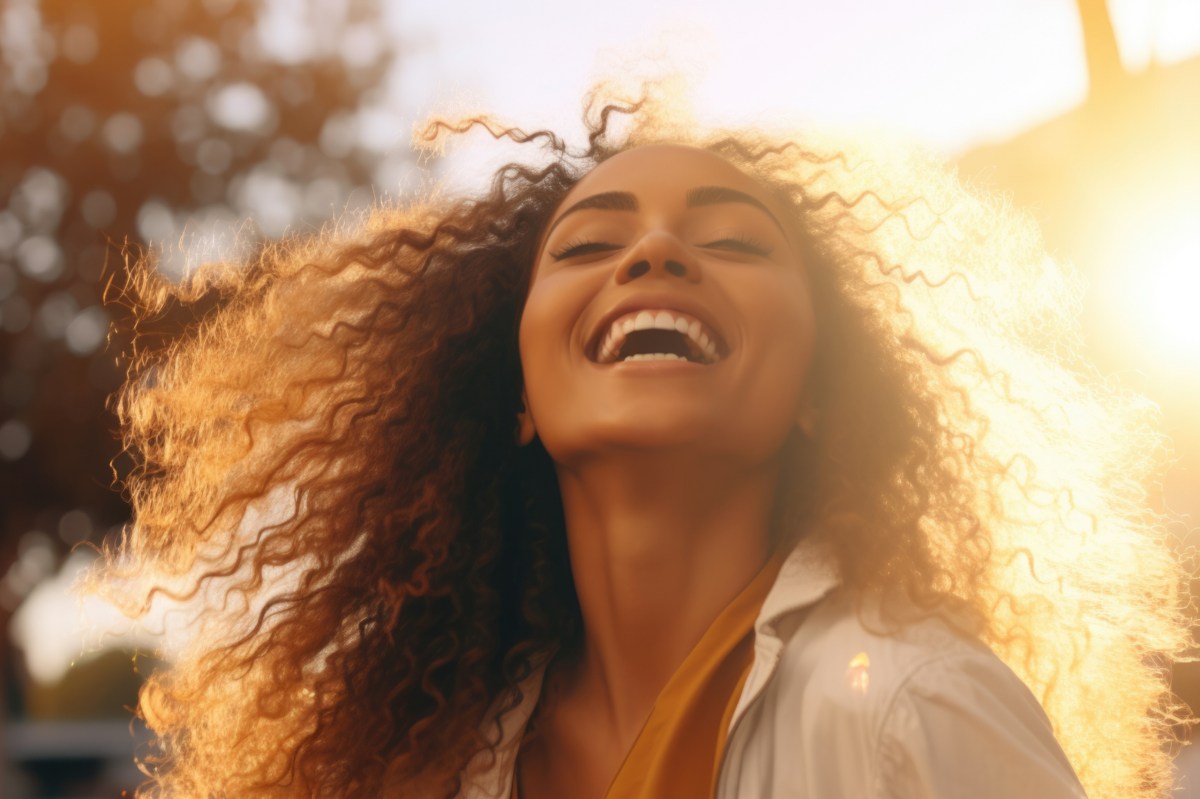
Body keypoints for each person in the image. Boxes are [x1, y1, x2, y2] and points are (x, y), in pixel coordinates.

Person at [93, 90, 1187, 799]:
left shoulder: (913, 709)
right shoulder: (424, 763)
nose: (656, 251)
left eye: (730, 240)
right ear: (514, 396)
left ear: (815, 391)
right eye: (592, 242)